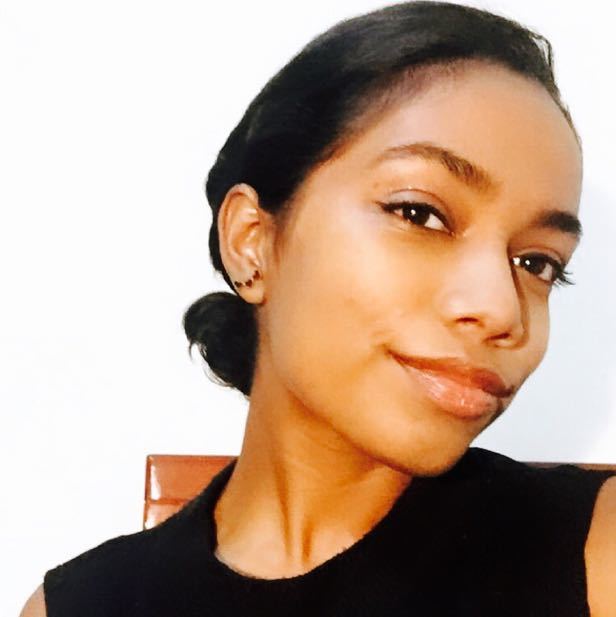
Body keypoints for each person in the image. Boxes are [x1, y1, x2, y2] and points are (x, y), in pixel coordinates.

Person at [21, 1, 616, 615]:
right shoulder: (81, 604)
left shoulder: (598, 548)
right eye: (420, 214)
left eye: (538, 263)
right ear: (252, 241)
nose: (501, 310)